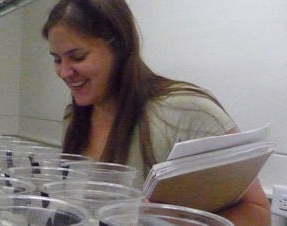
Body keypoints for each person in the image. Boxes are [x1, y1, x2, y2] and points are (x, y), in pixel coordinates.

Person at [41, 0, 271, 225]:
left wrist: (177, 222)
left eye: (78, 57)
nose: (63, 72)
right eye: (57, 59)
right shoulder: (75, 117)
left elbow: (258, 215)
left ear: (119, 46)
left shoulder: (187, 114)